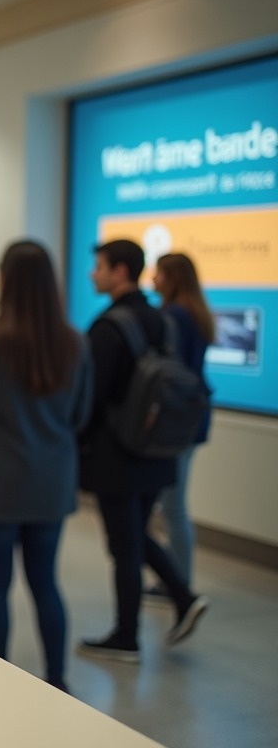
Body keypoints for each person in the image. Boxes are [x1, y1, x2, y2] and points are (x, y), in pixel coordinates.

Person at [0, 241, 93, 692]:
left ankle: (0, 675)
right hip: (51, 481)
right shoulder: (75, 342)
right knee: (46, 581)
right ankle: (57, 678)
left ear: (4, 280)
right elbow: (81, 416)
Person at [76, 240, 209, 663]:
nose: (91, 274)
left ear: (119, 271)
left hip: (118, 453)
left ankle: (127, 636)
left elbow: (91, 397)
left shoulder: (109, 327)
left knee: (124, 545)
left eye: (97, 267)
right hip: (160, 449)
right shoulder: (160, 320)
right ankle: (184, 597)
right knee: (136, 533)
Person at [148, 253, 214, 594]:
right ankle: (175, 579)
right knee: (175, 503)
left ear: (171, 278)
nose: (152, 279)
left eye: (158, 273)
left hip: (176, 419)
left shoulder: (172, 316)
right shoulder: (196, 314)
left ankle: (177, 584)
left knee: (172, 505)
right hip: (193, 415)